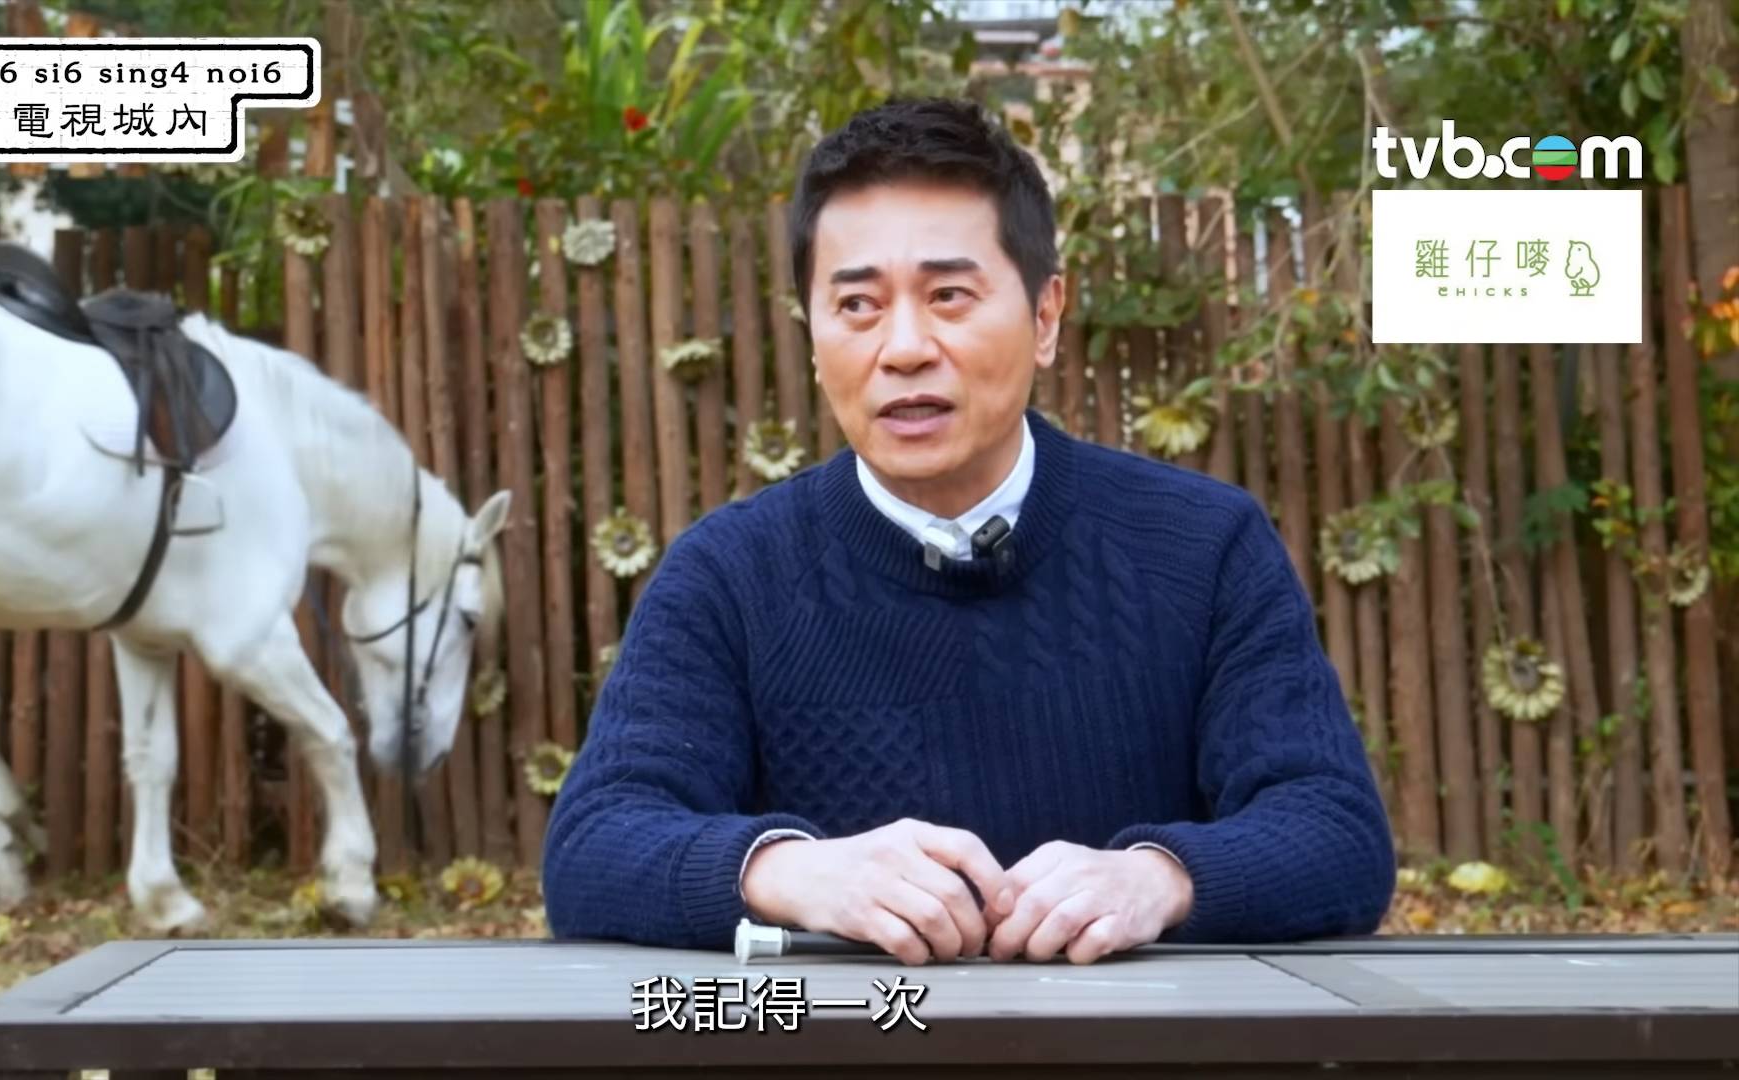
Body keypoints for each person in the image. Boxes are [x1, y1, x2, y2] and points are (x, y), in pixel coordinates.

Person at [541, 97, 1394, 965]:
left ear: (1046, 315)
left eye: (949, 295)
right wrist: (787, 869)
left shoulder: (1203, 548)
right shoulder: (730, 576)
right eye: (858, 305)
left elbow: (1334, 830)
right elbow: (594, 844)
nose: (904, 347)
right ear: (812, 337)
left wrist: (1161, 877)